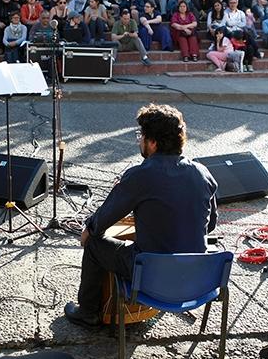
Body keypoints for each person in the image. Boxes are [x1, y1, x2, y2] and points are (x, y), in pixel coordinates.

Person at [63, 104, 218, 327]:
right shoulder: (203, 173)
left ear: (152, 142)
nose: (139, 140)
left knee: (95, 244)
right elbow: (210, 225)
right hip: (196, 279)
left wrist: (89, 229)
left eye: (141, 136)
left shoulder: (139, 175)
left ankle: (87, 312)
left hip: (151, 279)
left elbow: (104, 219)